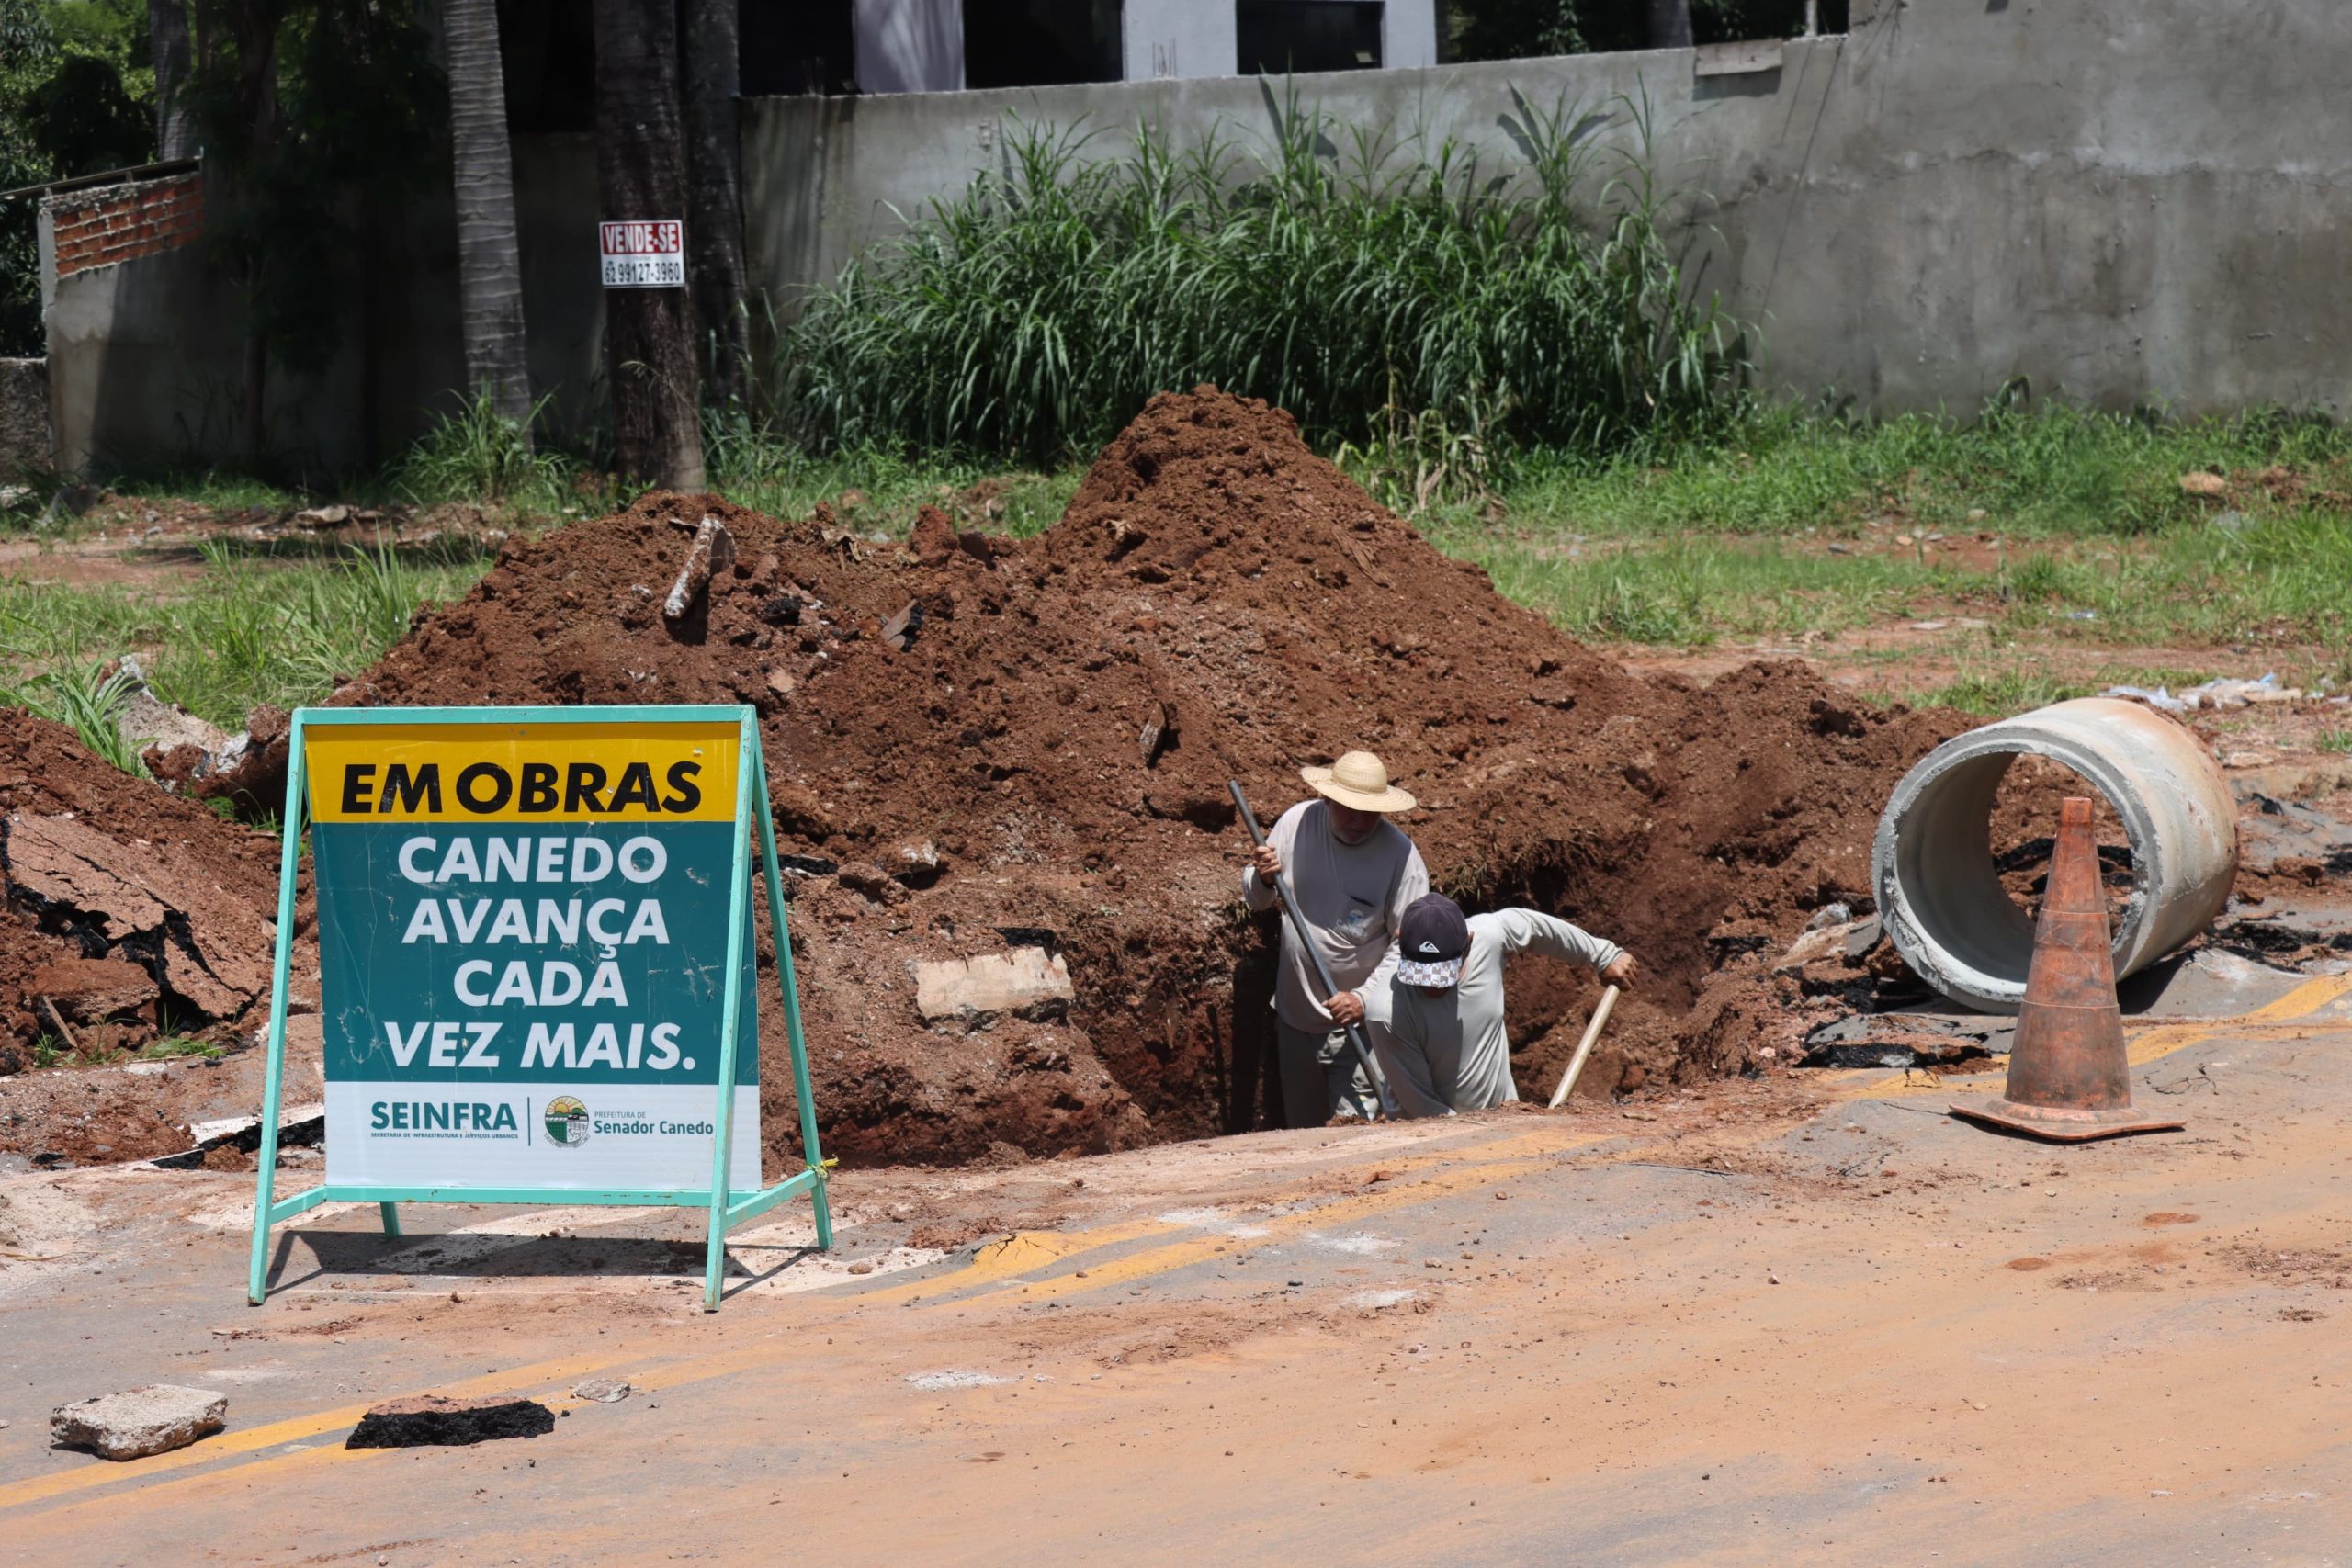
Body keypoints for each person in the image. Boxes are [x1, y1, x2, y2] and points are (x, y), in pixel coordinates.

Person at [1242, 750, 1429, 1126]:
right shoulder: (1297, 823)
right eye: (1348, 809)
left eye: (1370, 812)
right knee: (1303, 1133)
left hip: (1359, 1029)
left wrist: (1363, 998)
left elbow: (1410, 943)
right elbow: (1256, 899)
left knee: (1352, 1138)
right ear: (1327, 798)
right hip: (1294, 1022)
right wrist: (1262, 877)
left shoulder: (1401, 856)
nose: (1360, 822)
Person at [1381, 892, 1640, 1118]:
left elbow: (1534, 926)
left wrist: (1602, 955)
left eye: (1442, 973)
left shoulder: (1488, 936)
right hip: (1424, 1141)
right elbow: (1422, 1107)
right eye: (1420, 972)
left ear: (1468, 944)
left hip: (1503, 1121)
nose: (1431, 985)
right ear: (1399, 941)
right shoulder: (1385, 1010)